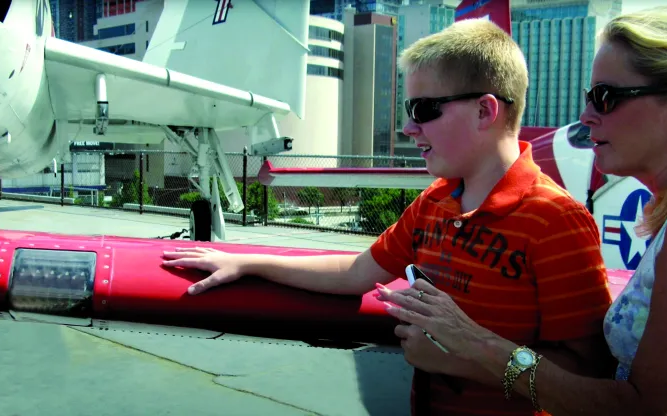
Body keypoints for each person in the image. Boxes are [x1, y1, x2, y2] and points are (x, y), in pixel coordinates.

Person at [162, 18, 614, 416]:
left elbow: (586, 373)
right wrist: (248, 262)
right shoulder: (434, 202)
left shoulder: (556, 222)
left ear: (485, 110)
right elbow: (357, 272)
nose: (408, 128)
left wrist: (459, 358)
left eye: (423, 109)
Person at [377, 6, 667, 416]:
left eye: (606, 98)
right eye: (590, 97)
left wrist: (474, 345)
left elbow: (644, 409)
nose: (586, 116)